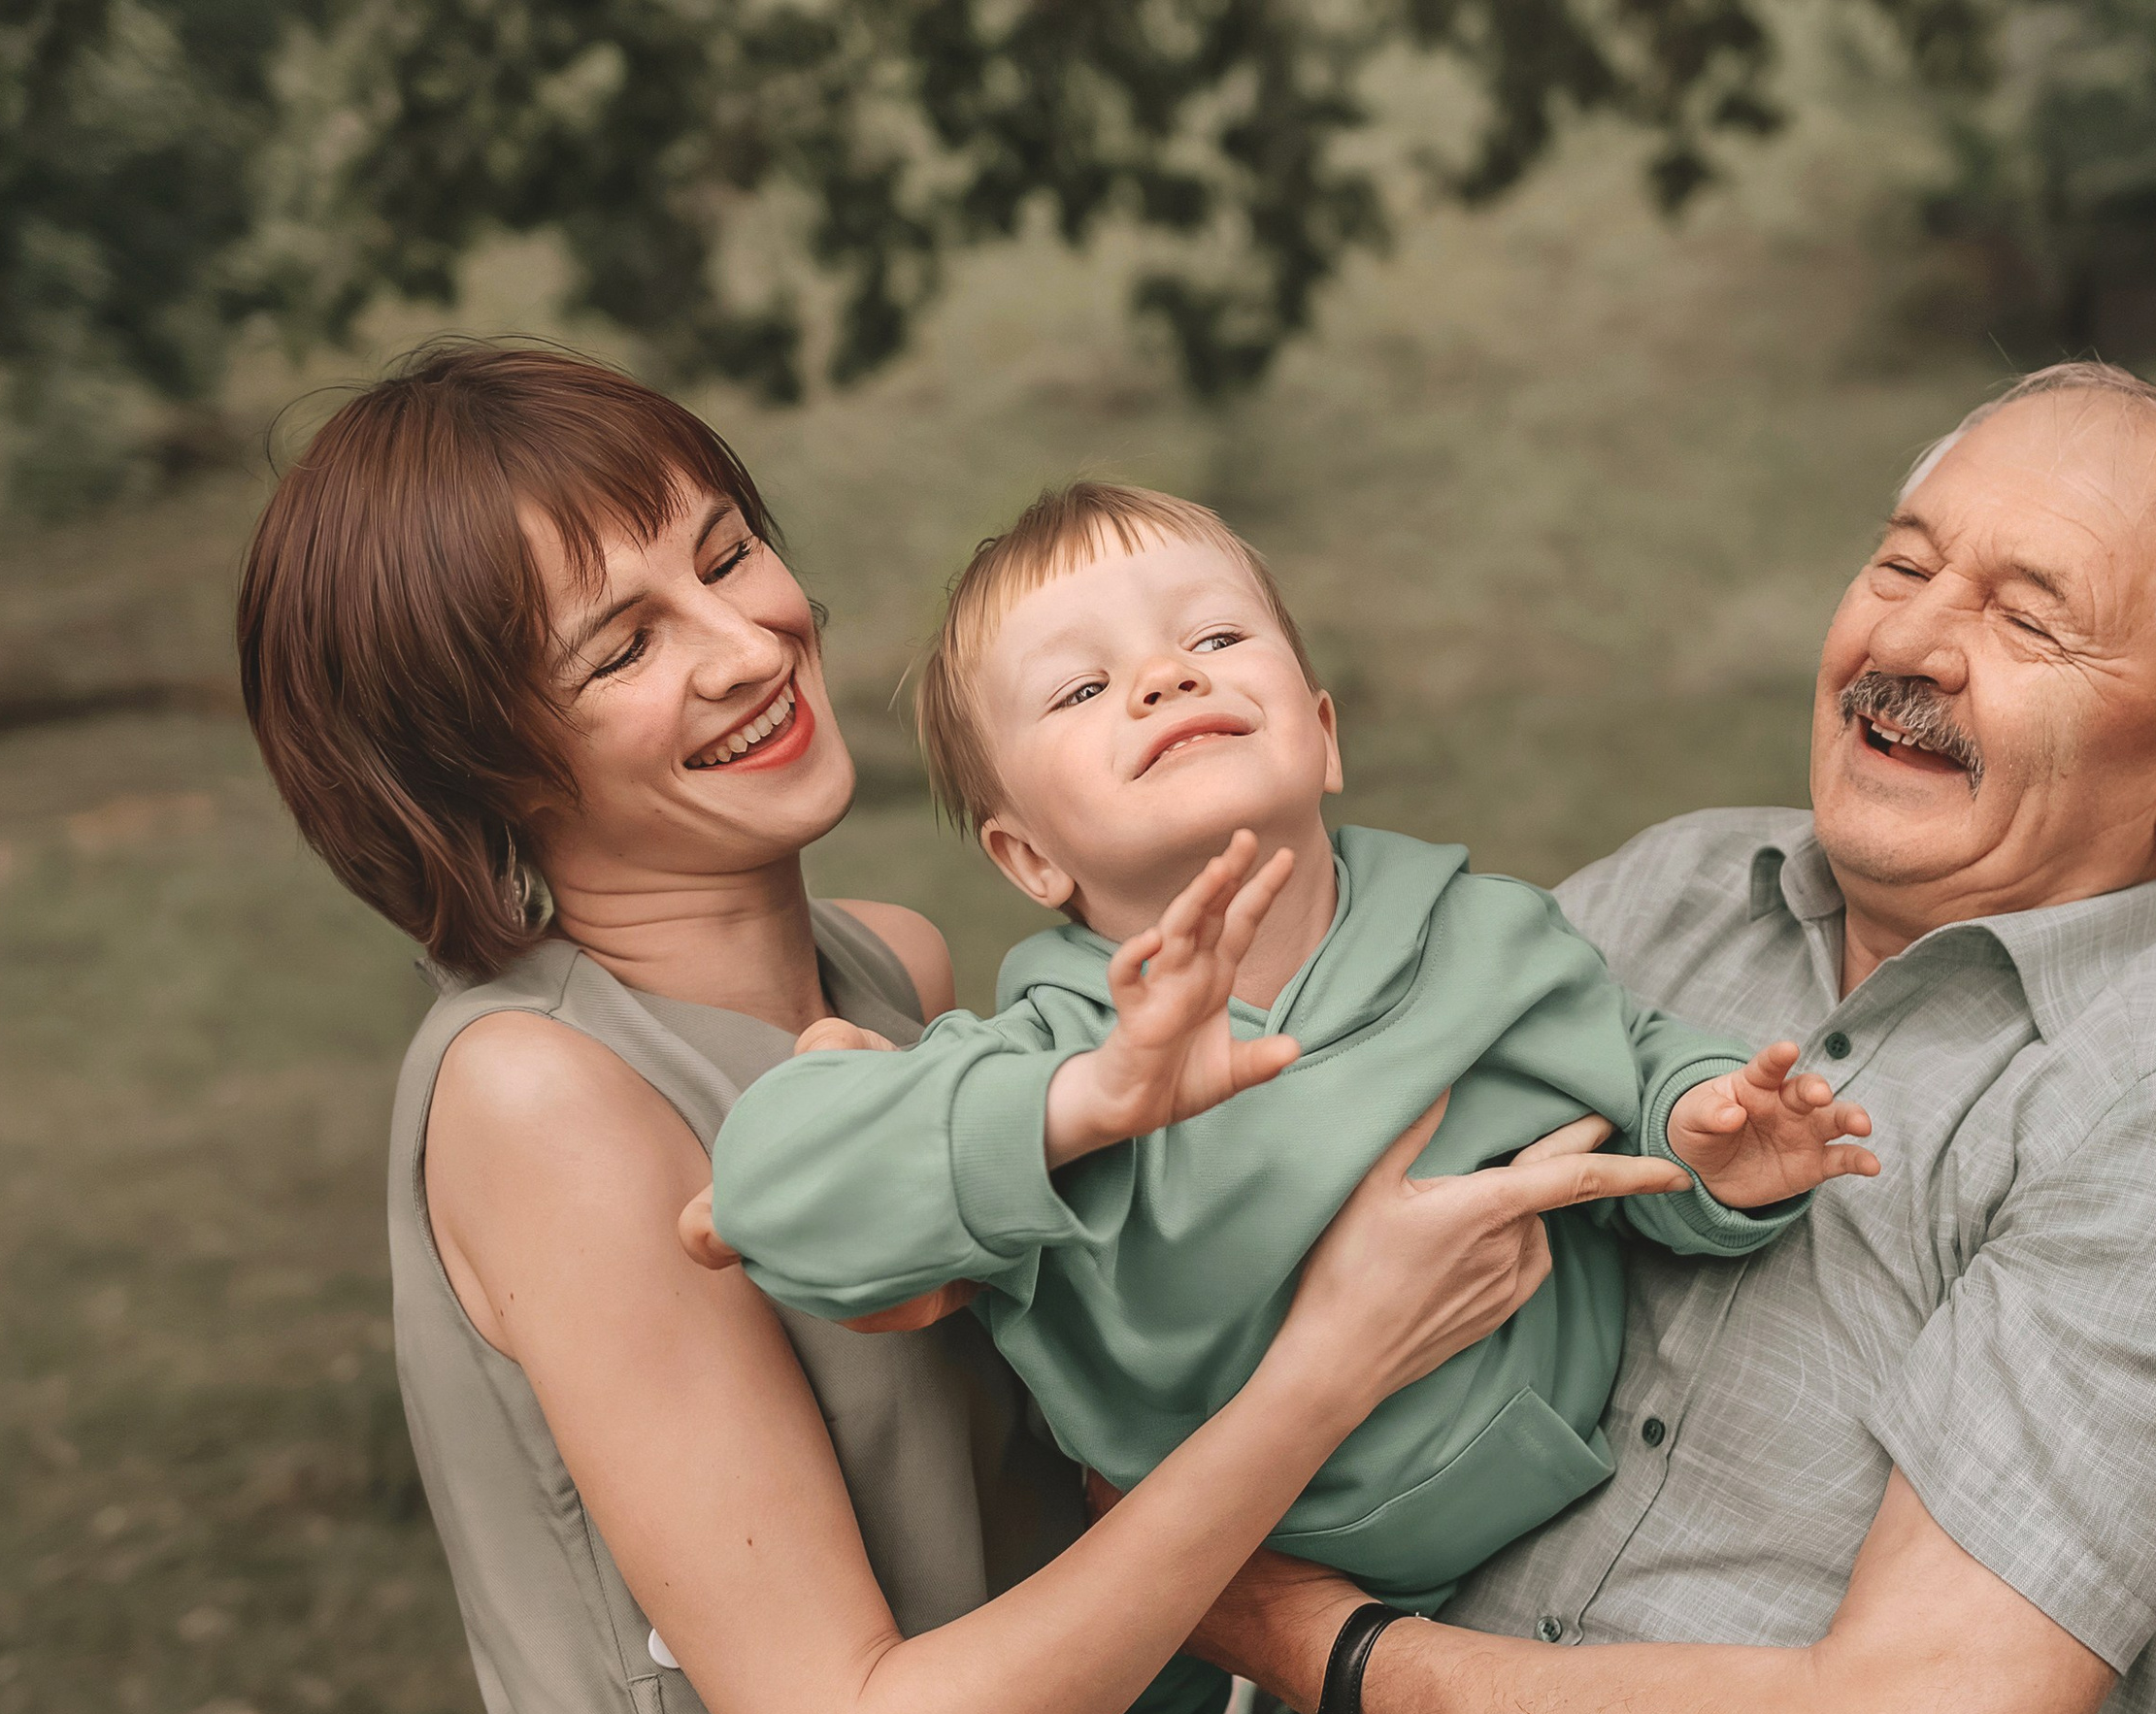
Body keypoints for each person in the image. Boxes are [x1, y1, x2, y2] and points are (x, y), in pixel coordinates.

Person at [234, 341, 1683, 1714]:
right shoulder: (542, 1093)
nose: (748, 644)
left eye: (728, 553)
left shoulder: (900, 977)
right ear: (476, 763)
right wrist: (1330, 1367)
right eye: (623, 645)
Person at [1186, 363, 2156, 1714]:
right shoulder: (1671, 897)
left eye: (2029, 619)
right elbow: (1312, 1169)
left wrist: (1314, 1647)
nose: (1911, 642)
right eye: (1903, 562)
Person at [684, 481, 1878, 1622]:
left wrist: (1703, 1138)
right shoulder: (1041, 1062)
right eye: (1081, 687)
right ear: (1029, 857)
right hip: (1214, 1583)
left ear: (1322, 733)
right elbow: (768, 1197)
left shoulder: (1486, 938)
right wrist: (1091, 1099)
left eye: (1213, 635)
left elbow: (1626, 1075)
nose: (1166, 676)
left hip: (1557, 1512)